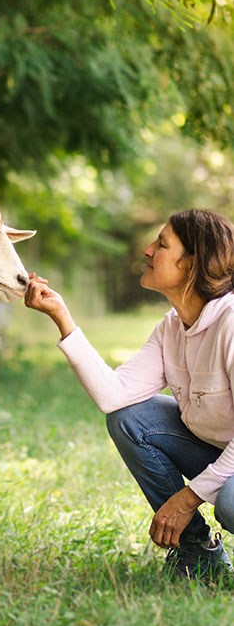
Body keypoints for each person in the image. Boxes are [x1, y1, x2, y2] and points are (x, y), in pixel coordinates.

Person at [25, 209, 234, 581]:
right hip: (221, 452)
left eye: (162, 244)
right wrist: (62, 316)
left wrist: (189, 498)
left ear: (192, 265)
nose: (147, 250)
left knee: (231, 503)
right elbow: (113, 396)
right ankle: (199, 554)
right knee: (130, 418)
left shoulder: (231, 323)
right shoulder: (171, 328)